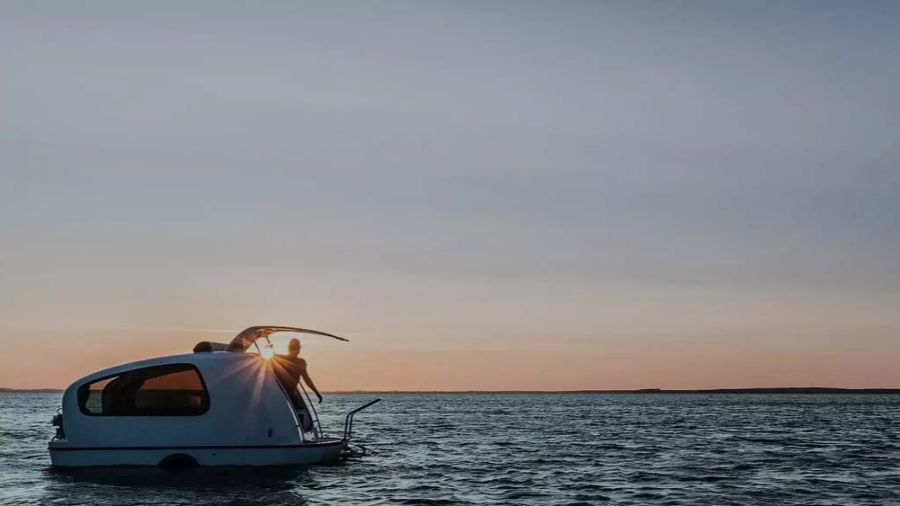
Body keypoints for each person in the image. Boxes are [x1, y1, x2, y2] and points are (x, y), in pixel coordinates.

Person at [272, 338, 323, 408]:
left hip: (291, 394)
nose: (295, 349)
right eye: (293, 347)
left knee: (299, 408)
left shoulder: (301, 362)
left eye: (296, 347)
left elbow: (307, 380)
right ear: (289, 348)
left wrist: (317, 393)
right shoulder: (279, 358)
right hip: (280, 394)